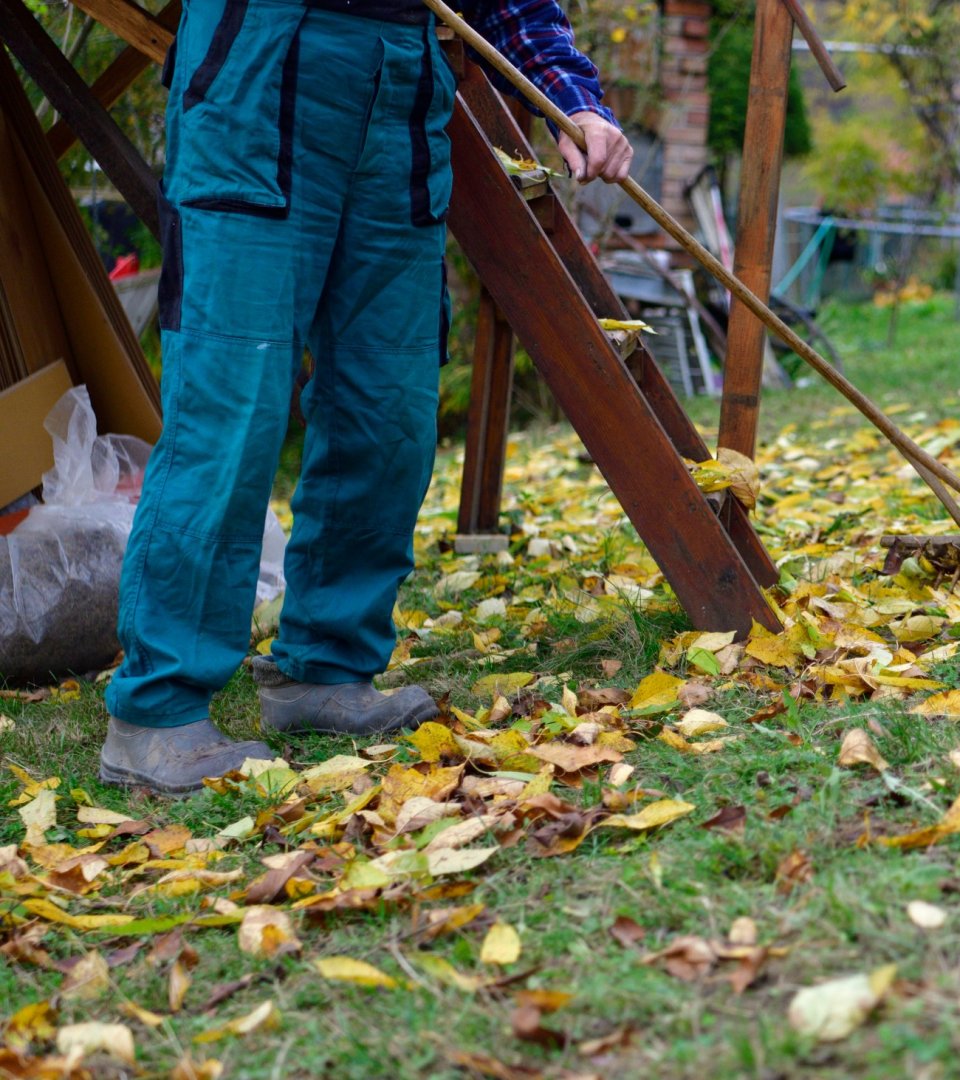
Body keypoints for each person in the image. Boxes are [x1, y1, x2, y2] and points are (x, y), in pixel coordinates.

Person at [97, 0, 634, 794]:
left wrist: (572, 97)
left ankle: (325, 667)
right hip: (261, 57)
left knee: (389, 405)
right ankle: (157, 713)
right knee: (231, 406)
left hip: (402, 84)